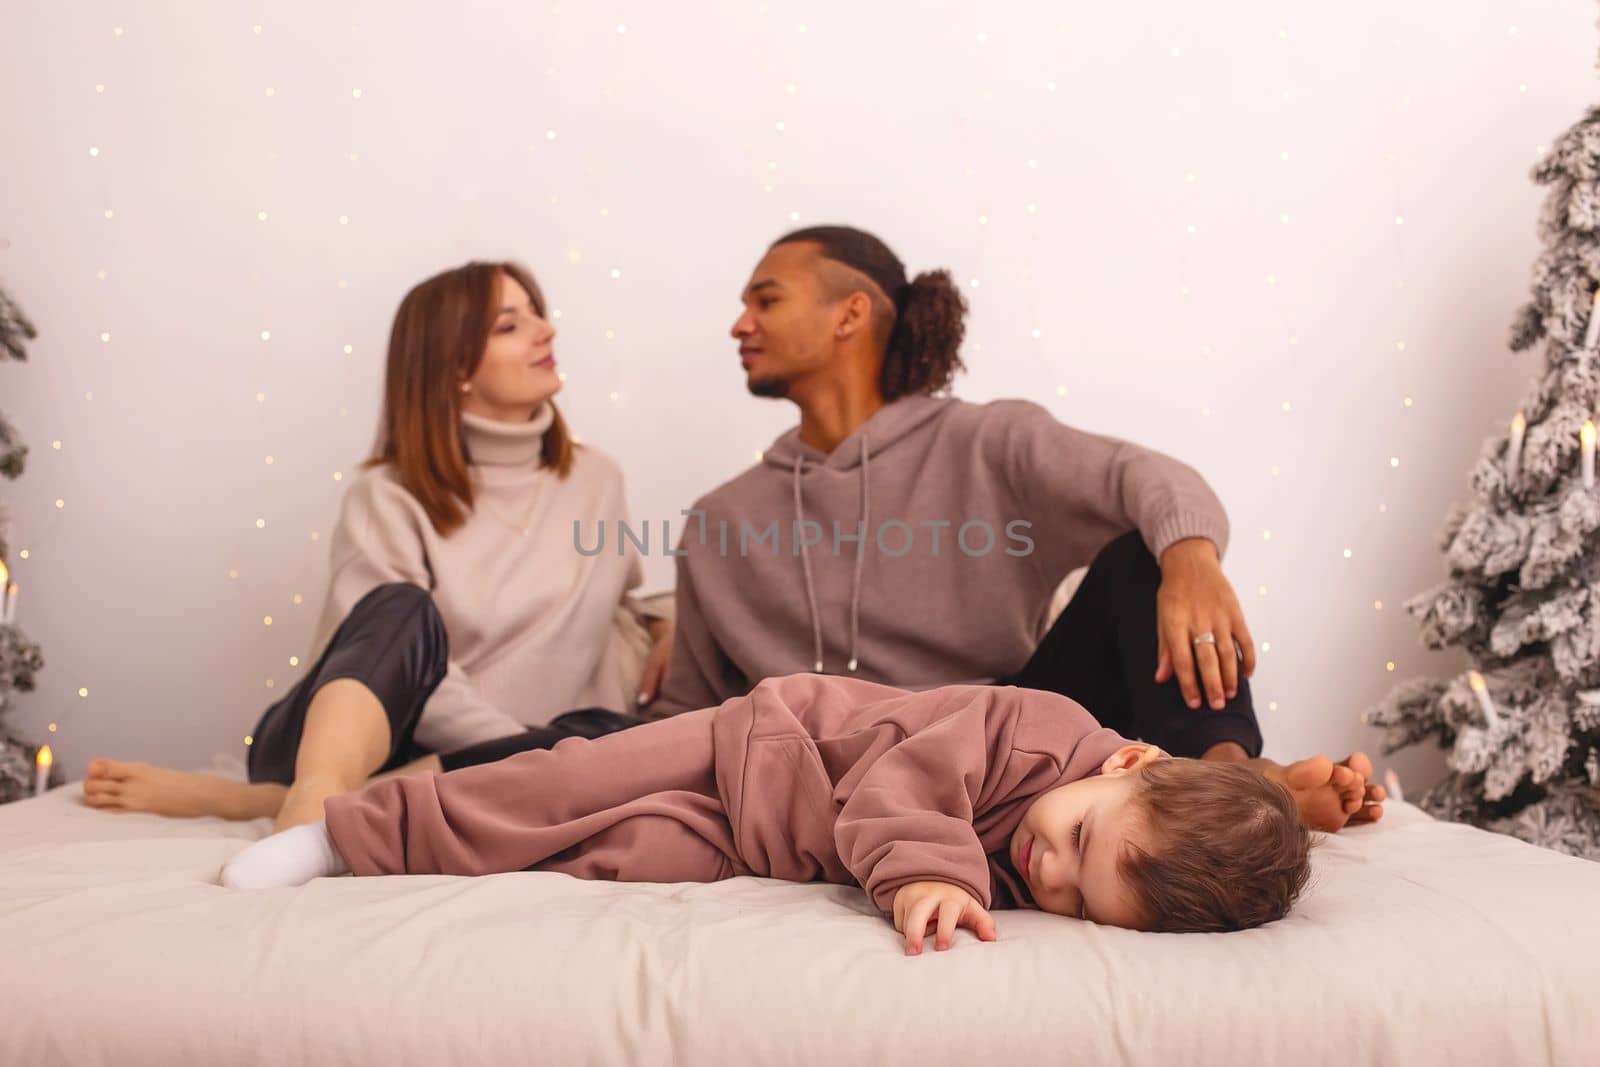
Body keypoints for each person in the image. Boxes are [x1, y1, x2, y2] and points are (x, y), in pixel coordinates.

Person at [646, 224, 1385, 833]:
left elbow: (1152, 477)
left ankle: (1226, 781)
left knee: (1146, 556)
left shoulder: (988, 442)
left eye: (765, 300)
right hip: (833, 773)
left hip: (1011, 748)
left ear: (851, 314)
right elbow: (689, 710)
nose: (740, 324)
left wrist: (1192, 559)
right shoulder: (720, 521)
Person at [82, 261, 672, 831]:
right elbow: (398, 659)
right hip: (360, 744)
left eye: (537, 314)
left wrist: (668, 620)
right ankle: (313, 792)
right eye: (510, 325)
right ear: (454, 368)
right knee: (400, 608)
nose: (547, 331)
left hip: (513, 756)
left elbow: (617, 607)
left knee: (615, 739)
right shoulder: (388, 495)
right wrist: (518, 755)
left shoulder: (598, 480)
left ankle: (258, 804)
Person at [218, 673, 1317, 952]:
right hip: (757, 744)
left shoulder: (1084, 849)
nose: (1052, 866)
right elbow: (903, 790)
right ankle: (339, 831)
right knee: (553, 784)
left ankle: (432, 862)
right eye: (1080, 837)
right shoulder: (1035, 726)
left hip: (766, 842)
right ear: (1128, 757)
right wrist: (934, 877)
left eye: (1079, 898)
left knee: (603, 855)